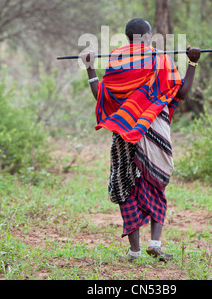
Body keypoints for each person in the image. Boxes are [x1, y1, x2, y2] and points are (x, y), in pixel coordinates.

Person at [81, 18, 201, 262]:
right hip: (155, 129)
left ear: (127, 37)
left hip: (124, 132)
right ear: (148, 36)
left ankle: (134, 251)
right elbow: (183, 92)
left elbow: (100, 94)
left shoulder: (117, 61)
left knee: (127, 186)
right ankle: (154, 243)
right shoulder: (160, 59)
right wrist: (192, 62)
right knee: (157, 180)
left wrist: (90, 68)